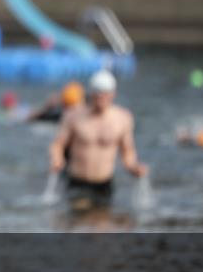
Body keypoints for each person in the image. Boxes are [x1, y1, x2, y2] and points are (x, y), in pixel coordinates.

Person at [48, 70, 149, 210]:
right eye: (98, 94)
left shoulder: (123, 118)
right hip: (78, 182)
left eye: (106, 94)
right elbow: (58, 144)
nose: (101, 98)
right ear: (91, 94)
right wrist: (57, 159)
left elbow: (127, 151)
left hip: (104, 183)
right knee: (80, 222)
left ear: (113, 94)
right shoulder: (74, 116)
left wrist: (133, 167)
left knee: (103, 225)